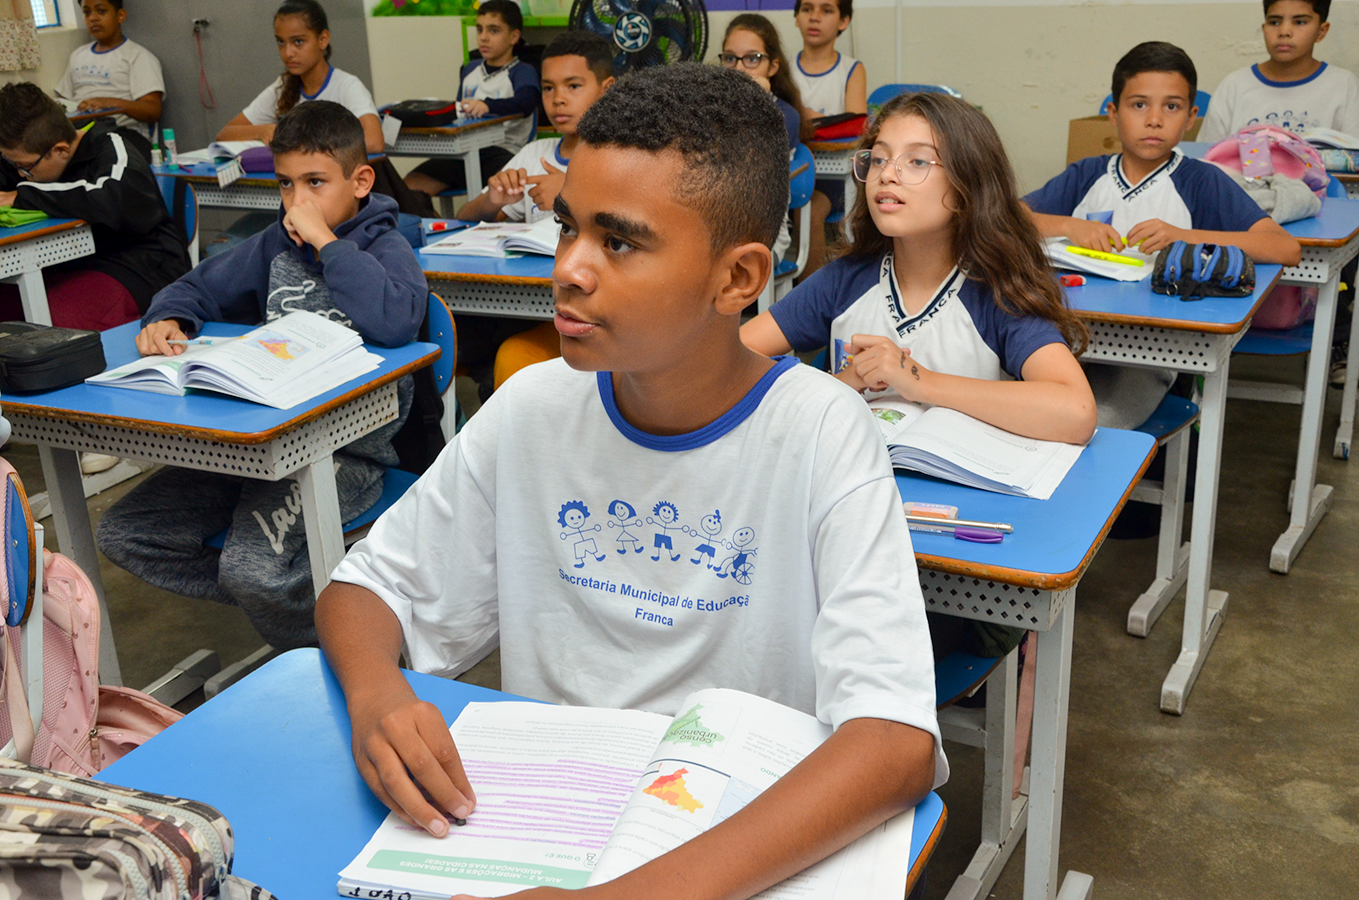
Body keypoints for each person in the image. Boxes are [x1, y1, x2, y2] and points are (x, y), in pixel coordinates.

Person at [315, 65, 945, 900]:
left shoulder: (822, 433)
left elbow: (893, 740)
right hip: (547, 818)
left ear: (737, 280)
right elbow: (366, 587)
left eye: (618, 242)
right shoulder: (534, 406)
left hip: (728, 834)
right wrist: (378, 695)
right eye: (567, 226)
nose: (570, 267)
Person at [95, 101, 427, 650]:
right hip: (259, 442)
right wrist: (167, 316)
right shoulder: (274, 244)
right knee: (129, 533)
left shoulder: (387, 246)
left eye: (315, 183)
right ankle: (313, 614)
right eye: (285, 185)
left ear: (361, 181)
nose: (298, 203)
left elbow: (395, 322)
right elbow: (195, 285)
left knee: (251, 572)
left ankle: (346, 653)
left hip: (342, 453)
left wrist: (328, 242)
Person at [742, 91, 1097, 446]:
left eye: (917, 162)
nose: (887, 175)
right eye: (879, 159)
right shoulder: (844, 279)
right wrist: (842, 384)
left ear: (966, 184)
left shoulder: (995, 291)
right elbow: (727, 358)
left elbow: (1076, 411)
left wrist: (918, 380)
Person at [1024, 41, 1301, 428]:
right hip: (1068, 337)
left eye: (1171, 107)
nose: (1154, 119)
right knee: (1015, 407)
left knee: (1093, 423)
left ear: (1191, 117)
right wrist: (1070, 225)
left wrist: (1185, 236)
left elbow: (1283, 248)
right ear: (1113, 113)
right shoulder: (1088, 174)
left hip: (1151, 354)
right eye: (1139, 105)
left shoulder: (1201, 181)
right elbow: (1005, 218)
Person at [455, 31, 615, 398]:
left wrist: (570, 193)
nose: (557, 99)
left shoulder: (618, 159)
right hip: (519, 306)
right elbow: (464, 218)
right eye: (547, 88)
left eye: (573, 85)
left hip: (587, 313)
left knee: (511, 355)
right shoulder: (534, 152)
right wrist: (492, 200)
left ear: (606, 89)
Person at [0, 82, 190, 331]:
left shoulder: (112, 146)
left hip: (138, 265)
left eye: (25, 168)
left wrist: (22, 196)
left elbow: (114, 198)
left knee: (57, 322)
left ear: (61, 150)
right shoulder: (29, 156)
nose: (20, 174)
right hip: (66, 265)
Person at [403, 0, 539, 199]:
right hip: (466, 151)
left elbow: (526, 103)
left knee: (501, 196)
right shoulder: (470, 69)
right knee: (408, 189)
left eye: (493, 31)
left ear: (514, 36)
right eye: (479, 29)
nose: (483, 38)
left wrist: (487, 105)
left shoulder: (522, 71)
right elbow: (460, 112)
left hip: (505, 152)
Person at [217, 0, 385, 155]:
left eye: (298, 42)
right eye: (281, 42)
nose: (288, 53)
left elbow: (374, 141)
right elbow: (225, 134)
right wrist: (262, 131)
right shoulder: (283, 88)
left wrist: (304, 146)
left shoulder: (347, 86)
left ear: (323, 39)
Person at [1200, 0, 1359, 142]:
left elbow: (1354, 162)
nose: (1284, 32)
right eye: (1275, 22)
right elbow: (1206, 160)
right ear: (1264, 28)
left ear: (1321, 31)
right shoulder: (1234, 86)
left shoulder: (1344, 85)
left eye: (1300, 22)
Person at [788, 0, 864, 281]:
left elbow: (855, 128)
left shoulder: (851, 70)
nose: (814, 17)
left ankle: (809, 295)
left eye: (826, 10)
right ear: (796, 17)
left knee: (810, 209)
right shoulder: (782, 69)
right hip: (789, 172)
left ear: (843, 21)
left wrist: (806, 119)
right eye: (807, 9)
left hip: (833, 181)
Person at [55, 0, 164, 157]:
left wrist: (109, 103)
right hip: (81, 132)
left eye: (101, 11)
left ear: (120, 16)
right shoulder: (78, 55)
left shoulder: (138, 56)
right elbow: (63, 101)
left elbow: (153, 110)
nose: (93, 18)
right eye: (87, 12)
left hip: (122, 133)